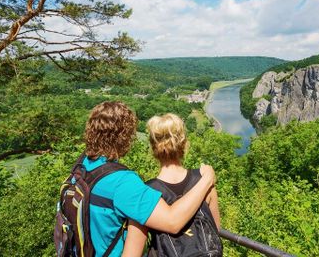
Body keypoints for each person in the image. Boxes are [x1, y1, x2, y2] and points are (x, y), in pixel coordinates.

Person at [79, 101, 216, 257]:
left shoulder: (82, 169)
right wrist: (207, 179)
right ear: (124, 138)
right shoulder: (122, 184)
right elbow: (173, 221)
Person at [123, 113, 221, 256]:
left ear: (152, 147)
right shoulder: (205, 181)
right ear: (185, 143)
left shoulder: (146, 193)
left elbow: (131, 254)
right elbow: (215, 232)